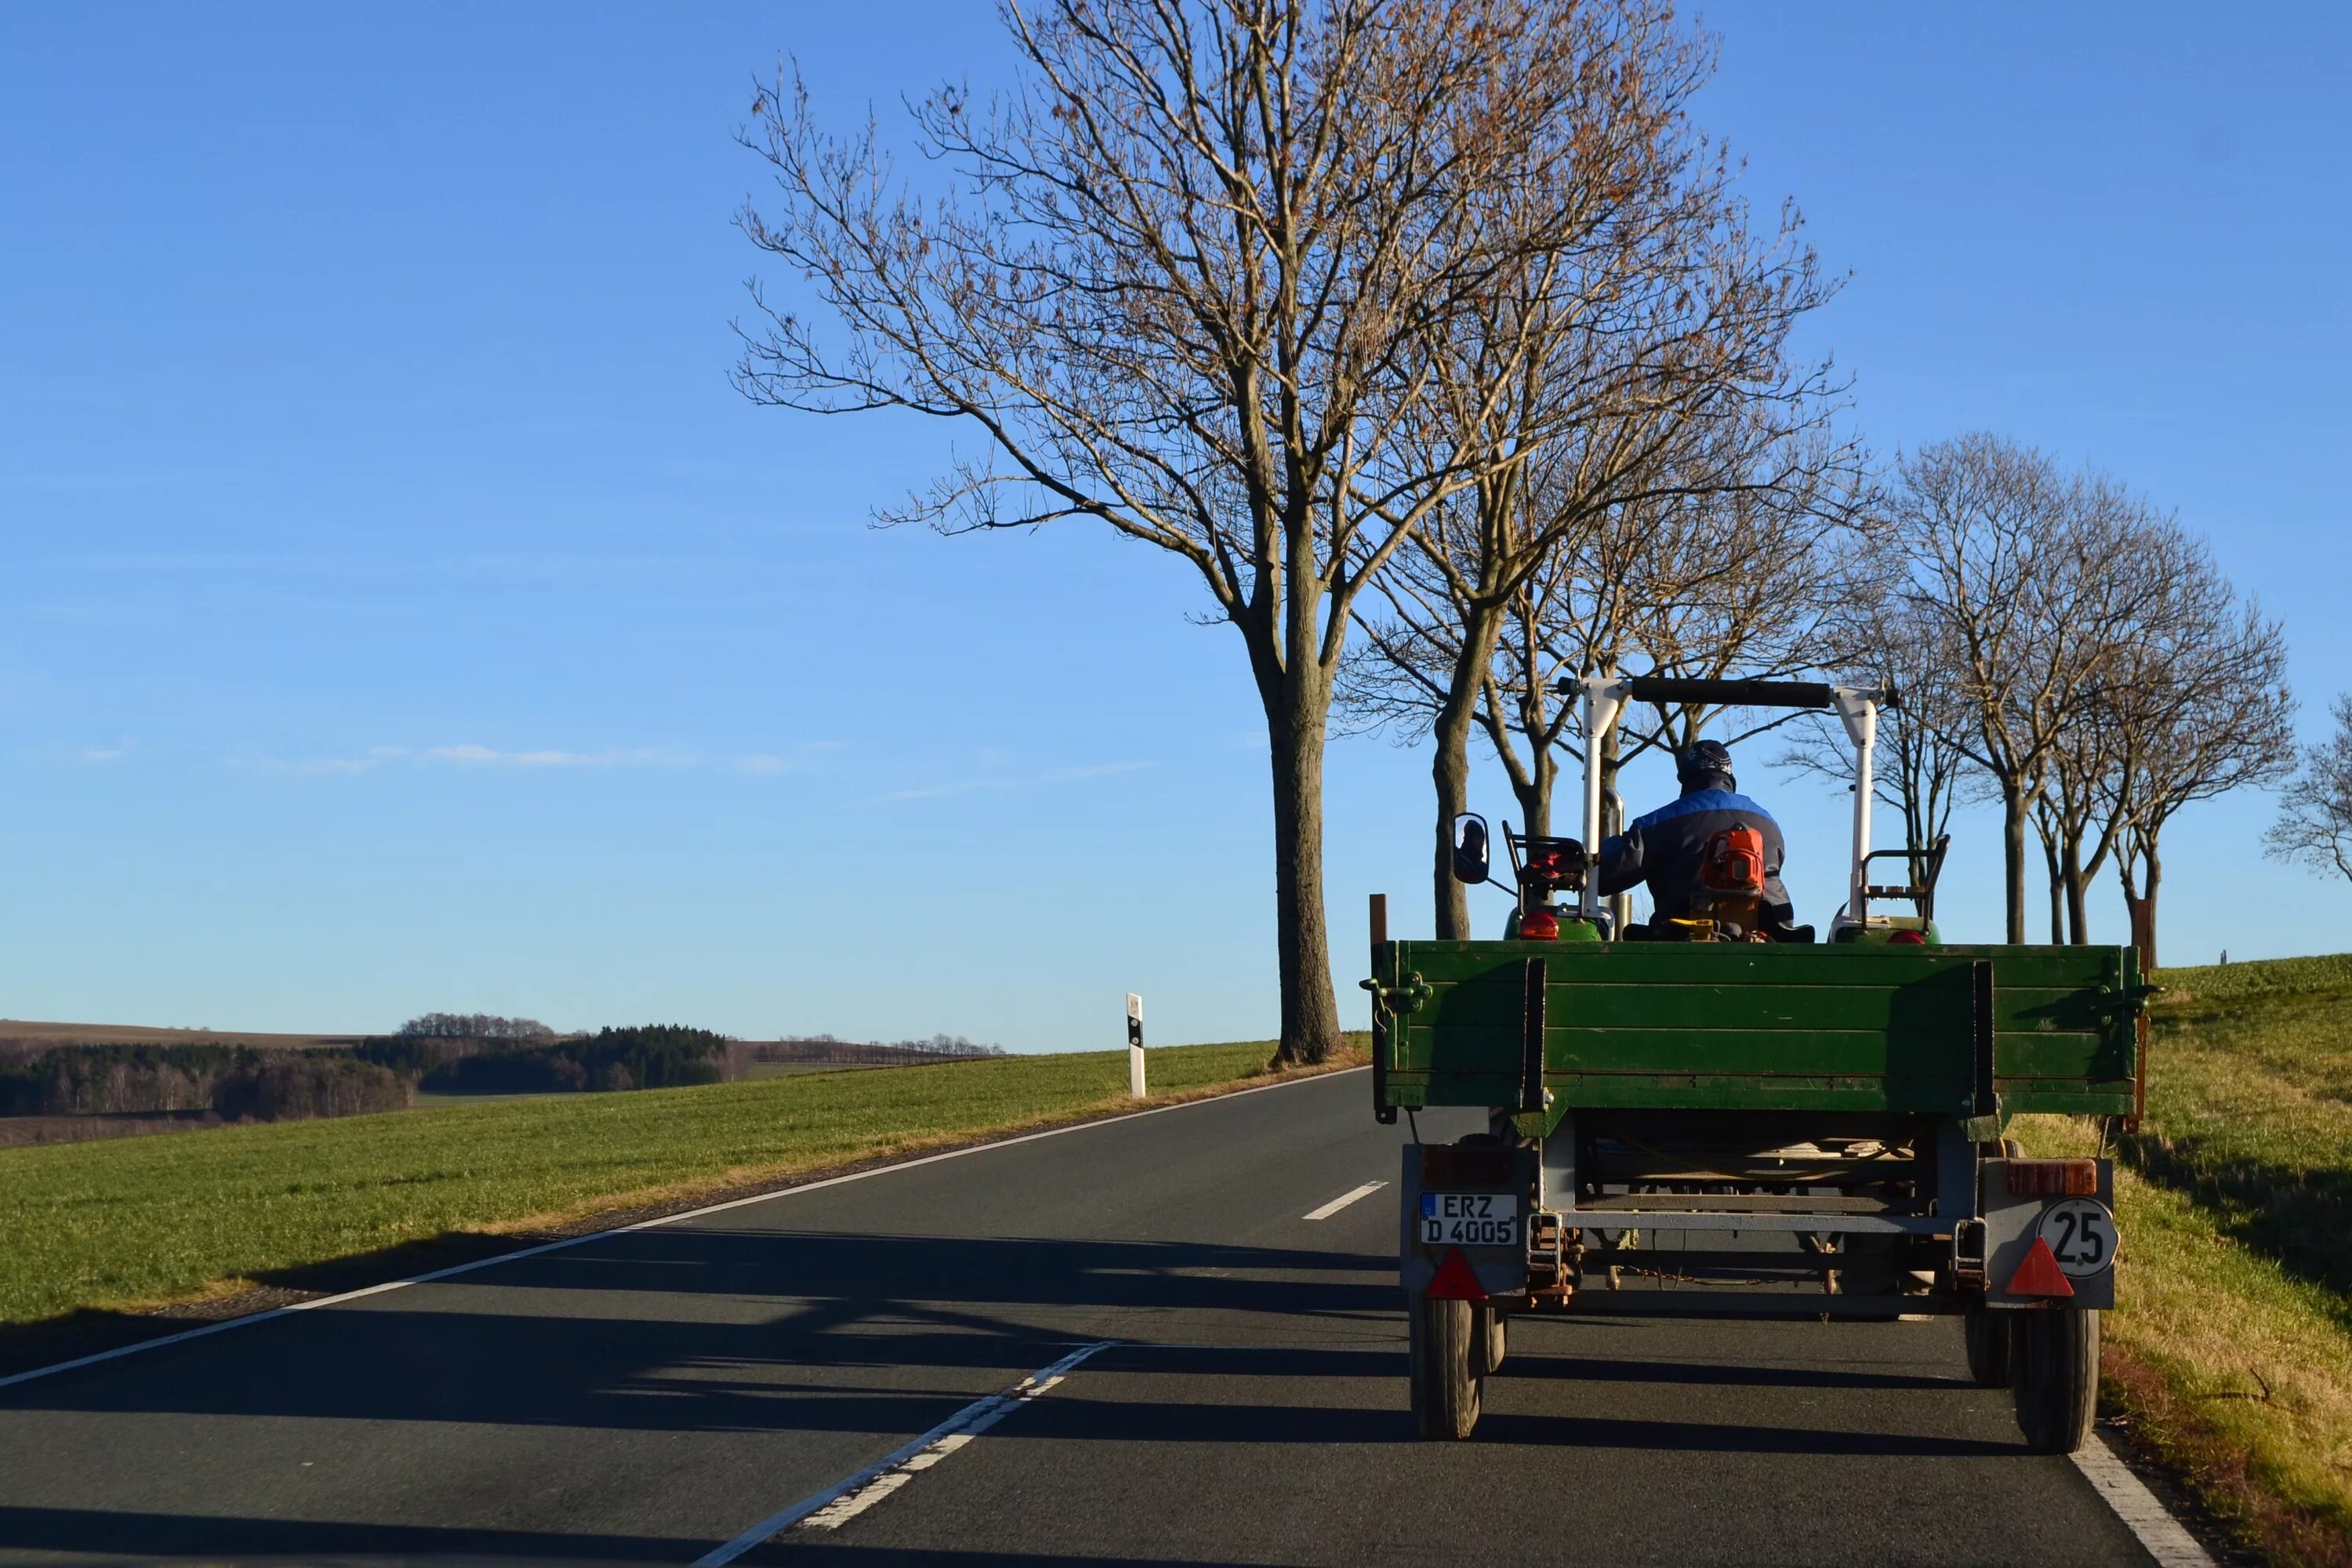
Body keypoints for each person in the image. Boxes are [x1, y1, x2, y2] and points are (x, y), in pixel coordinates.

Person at [1598, 739, 1799, 935]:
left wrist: (1585, 860)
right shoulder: (1768, 822)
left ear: (1686, 776)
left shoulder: (1659, 823)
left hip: (1683, 940)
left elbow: (1607, 873)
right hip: (1770, 936)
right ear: (1729, 776)